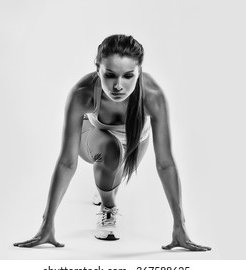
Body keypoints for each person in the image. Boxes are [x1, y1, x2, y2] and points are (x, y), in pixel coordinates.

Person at [14, 34, 211, 251]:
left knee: (114, 170)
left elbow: (165, 163)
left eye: (128, 76)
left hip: (134, 142)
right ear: (97, 68)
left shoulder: (152, 96)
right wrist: (47, 224)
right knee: (111, 150)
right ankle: (108, 208)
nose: (118, 85)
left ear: (139, 72)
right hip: (93, 137)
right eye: (109, 75)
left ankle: (104, 186)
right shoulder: (84, 93)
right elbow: (67, 162)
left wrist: (179, 226)